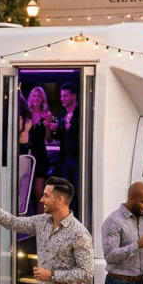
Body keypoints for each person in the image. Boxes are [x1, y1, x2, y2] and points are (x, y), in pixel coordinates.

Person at [49, 84, 80, 213]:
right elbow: (59, 137)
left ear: (74, 96)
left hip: (79, 159)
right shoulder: (62, 113)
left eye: (65, 96)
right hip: (65, 159)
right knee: (67, 192)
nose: (62, 99)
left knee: (79, 191)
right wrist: (52, 129)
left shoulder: (82, 111)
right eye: (61, 96)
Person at [23, 87, 53, 214]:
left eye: (39, 97)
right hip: (26, 154)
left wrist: (48, 127)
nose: (36, 99)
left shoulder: (47, 115)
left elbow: (49, 139)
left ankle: (41, 224)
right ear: (30, 98)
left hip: (40, 155)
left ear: (43, 99)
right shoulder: (25, 114)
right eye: (34, 96)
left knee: (39, 191)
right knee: (24, 192)